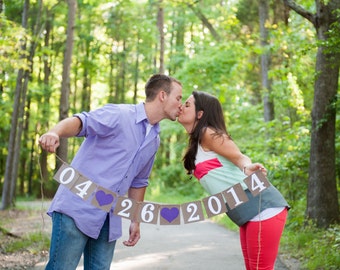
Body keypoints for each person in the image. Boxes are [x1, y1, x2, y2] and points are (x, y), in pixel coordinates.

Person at [39, 74, 183, 270]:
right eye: (178, 98)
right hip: (76, 208)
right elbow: (82, 122)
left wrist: (135, 220)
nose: (181, 105)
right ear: (162, 95)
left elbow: (139, 182)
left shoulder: (154, 139)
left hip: (109, 217)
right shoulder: (120, 115)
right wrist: (54, 132)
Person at [178, 91, 289, 270]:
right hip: (246, 211)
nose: (181, 106)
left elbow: (238, 157)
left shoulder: (208, 133)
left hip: (262, 205)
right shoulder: (197, 142)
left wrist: (247, 167)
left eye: (188, 104)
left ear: (200, 114)